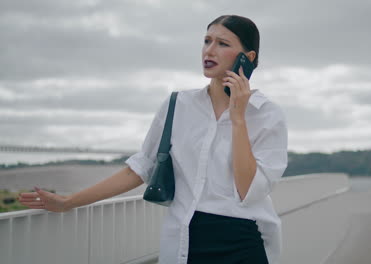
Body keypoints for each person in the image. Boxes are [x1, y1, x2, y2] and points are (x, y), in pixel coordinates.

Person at [19, 15, 288, 264]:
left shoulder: (267, 115)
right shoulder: (178, 104)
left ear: (247, 57)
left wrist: (238, 117)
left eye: (222, 43)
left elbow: (248, 189)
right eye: (207, 41)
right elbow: (139, 168)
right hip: (185, 240)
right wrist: (68, 202)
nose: (209, 50)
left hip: (242, 243)